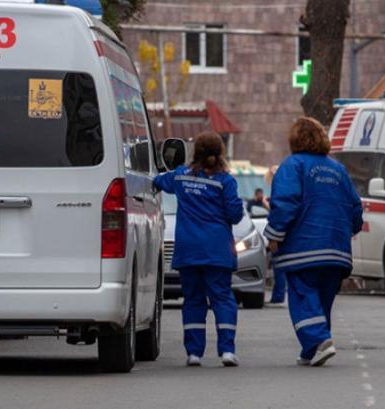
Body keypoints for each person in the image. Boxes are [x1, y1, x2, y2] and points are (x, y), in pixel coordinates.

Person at [264, 117, 363, 367]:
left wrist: (274, 236)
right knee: (321, 301)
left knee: (302, 295)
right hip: (337, 248)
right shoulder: (338, 169)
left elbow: (285, 203)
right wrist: (352, 228)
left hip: (304, 247)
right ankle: (313, 349)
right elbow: (355, 206)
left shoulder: (293, 165)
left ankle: (319, 341)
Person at [154, 131, 245, 367]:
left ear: (196, 152)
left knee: (193, 300)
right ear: (219, 153)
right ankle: (226, 351)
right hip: (217, 251)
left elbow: (157, 181)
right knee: (222, 298)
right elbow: (235, 215)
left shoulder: (181, 176)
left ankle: (194, 353)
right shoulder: (225, 181)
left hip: (189, 251)